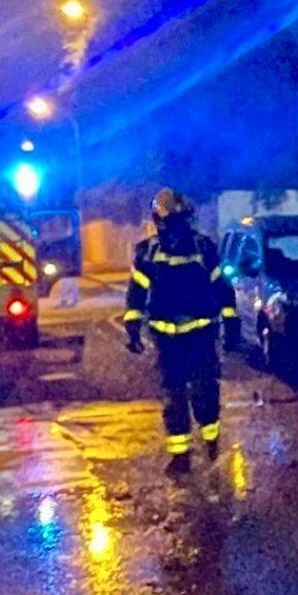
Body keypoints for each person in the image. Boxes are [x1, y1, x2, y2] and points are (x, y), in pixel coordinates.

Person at [123, 190, 236, 472]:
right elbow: (136, 293)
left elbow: (222, 288)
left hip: (200, 335)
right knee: (174, 397)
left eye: (182, 219)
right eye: (174, 220)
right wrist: (132, 327)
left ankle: (211, 444)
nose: (179, 226)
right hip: (167, 340)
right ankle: (181, 455)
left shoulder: (203, 248)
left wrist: (231, 322)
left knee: (204, 392)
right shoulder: (147, 253)